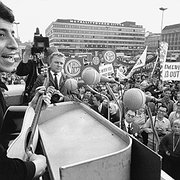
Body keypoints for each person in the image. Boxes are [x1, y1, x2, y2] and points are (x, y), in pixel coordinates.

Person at [0, 2, 47, 179]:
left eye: (13, 34)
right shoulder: (31, 62)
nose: (13, 44)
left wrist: (31, 109)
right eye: (1, 34)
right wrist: (36, 167)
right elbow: (4, 170)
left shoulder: (46, 66)